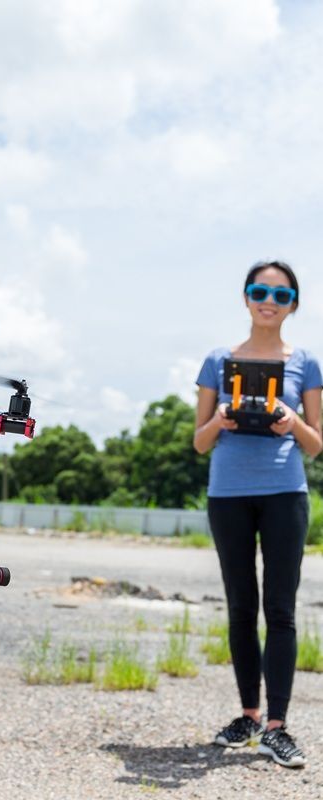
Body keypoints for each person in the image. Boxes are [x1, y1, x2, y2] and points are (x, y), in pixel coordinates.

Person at [193, 260, 322, 768]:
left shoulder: (306, 362)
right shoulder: (217, 360)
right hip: (228, 494)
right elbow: (199, 442)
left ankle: (276, 727)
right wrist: (222, 420)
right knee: (241, 607)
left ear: (293, 304)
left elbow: (316, 444)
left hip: (284, 493)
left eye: (281, 293)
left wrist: (291, 422)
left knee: (281, 610)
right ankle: (248, 714)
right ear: (245, 297)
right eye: (259, 290)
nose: (269, 299)